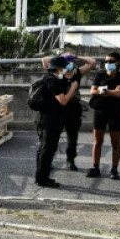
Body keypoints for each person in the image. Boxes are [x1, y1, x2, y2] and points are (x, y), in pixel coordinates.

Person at [40, 52, 96, 171]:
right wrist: (62, 57)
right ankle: (47, 161)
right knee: (52, 138)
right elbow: (45, 60)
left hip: (73, 109)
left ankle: (70, 160)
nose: (69, 67)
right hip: (58, 109)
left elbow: (92, 62)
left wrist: (76, 56)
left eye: (71, 63)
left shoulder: (77, 73)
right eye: (66, 64)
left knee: (72, 137)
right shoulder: (59, 73)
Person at [35, 56, 79, 188]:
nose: (66, 70)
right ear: (59, 68)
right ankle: (42, 178)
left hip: (48, 119)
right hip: (50, 120)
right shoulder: (52, 82)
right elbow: (63, 101)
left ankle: (42, 175)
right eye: (64, 67)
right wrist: (73, 88)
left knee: (45, 148)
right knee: (48, 149)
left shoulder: (48, 79)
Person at [86, 52, 120, 180]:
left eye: (110, 61)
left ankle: (114, 169)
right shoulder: (100, 75)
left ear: (118, 62)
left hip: (116, 113)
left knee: (115, 142)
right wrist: (109, 91)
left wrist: (102, 91)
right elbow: (92, 91)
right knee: (97, 141)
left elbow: (118, 94)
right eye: (106, 61)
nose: (107, 64)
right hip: (100, 111)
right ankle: (95, 167)